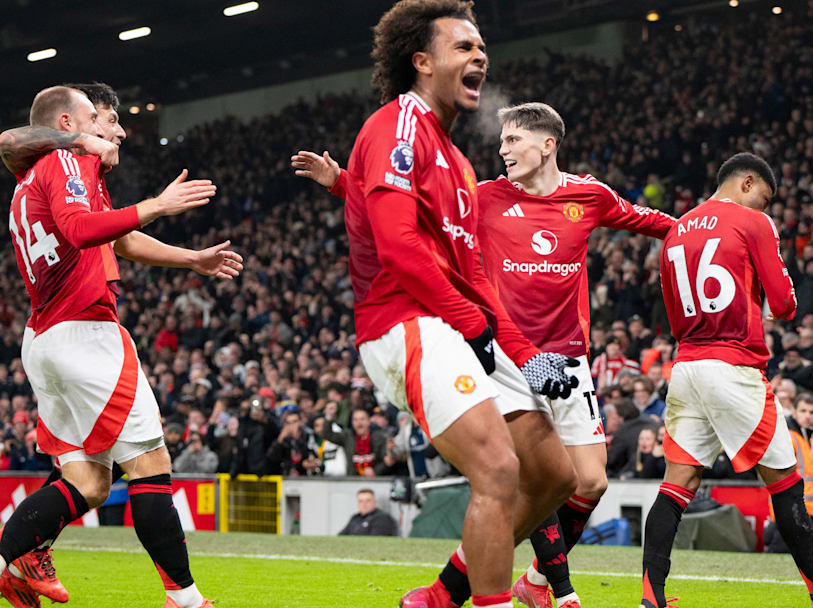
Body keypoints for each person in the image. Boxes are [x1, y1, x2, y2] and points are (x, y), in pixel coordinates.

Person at [296, 100, 674, 607]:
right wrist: (342, 180)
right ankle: (544, 591)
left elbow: (652, 221)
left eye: (513, 140)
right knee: (532, 473)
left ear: (547, 144)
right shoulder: (486, 197)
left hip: (568, 357)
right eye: (501, 142)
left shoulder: (590, 195)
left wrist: (711, 225)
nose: (503, 150)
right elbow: (415, 214)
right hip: (505, 356)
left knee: (590, 482)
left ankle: (531, 582)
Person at [295, 4, 583, 608]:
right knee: (499, 471)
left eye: (482, 48)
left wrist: (526, 357)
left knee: (556, 476)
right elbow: (399, 248)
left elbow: (476, 275)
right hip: (406, 323)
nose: (480, 56)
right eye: (464, 47)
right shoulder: (397, 125)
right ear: (421, 62)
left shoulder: (457, 162)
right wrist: (471, 321)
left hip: (451, 319)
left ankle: (441, 594)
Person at [1, 85, 240, 608]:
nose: (117, 131)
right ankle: (186, 600)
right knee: (151, 463)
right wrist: (156, 203)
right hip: (85, 331)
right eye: (101, 118)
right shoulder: (67, 159)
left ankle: (17, 558)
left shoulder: (33, 177)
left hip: (44, 338)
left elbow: (119, 241)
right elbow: (82, 229)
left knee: (86, 481)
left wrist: (190, 259)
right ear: (67, 122)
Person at [639, 153, 813, 608]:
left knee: (676, 486)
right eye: (765, 199)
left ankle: (650, 600)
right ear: (747, 182)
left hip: (686, 365)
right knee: (787, 483)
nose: (766, 210)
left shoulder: (675, 230)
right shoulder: (753, 223)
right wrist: (765, 304)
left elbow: (671, 309)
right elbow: (786, 303)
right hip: (733, 366)